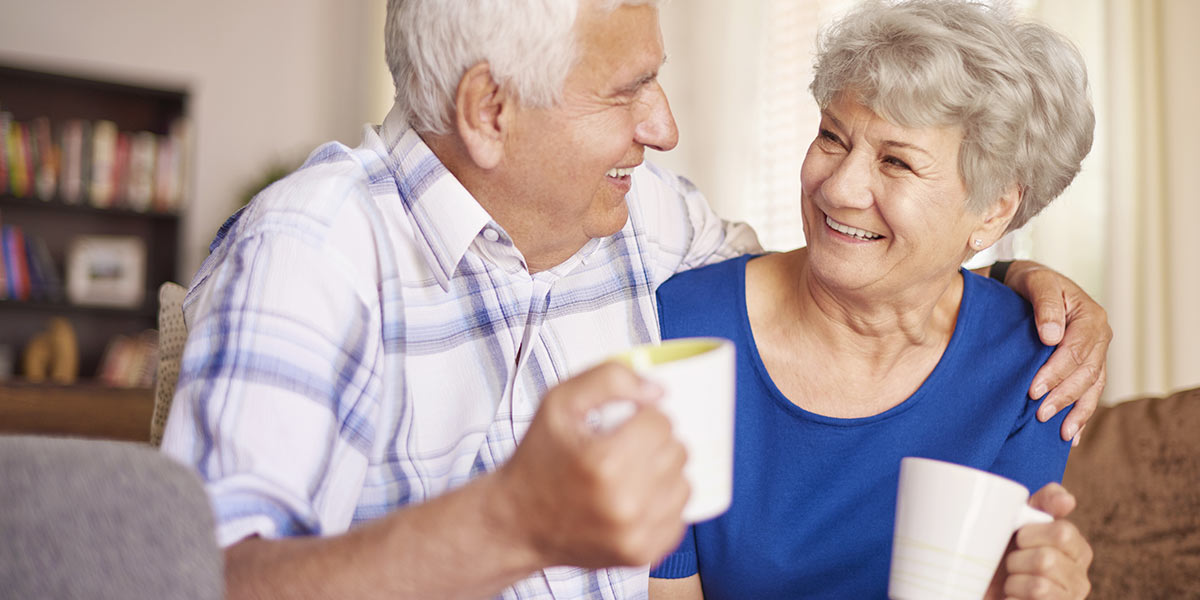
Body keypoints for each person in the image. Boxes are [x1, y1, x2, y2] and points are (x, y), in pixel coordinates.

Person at [161, 1, 1110, 598]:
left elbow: (835, 278)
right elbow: (189, 585)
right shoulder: (311, 258)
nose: (664, 127)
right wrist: (507, 522)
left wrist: (1016, 282)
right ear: (491, 110)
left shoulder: (633, 214)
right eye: (631, 89)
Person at [648, 1, 1096, 598]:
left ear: (993, 210)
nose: (839, 187)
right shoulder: (682, 330)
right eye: (833, 137)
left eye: (896, 161)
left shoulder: (1033, 367)